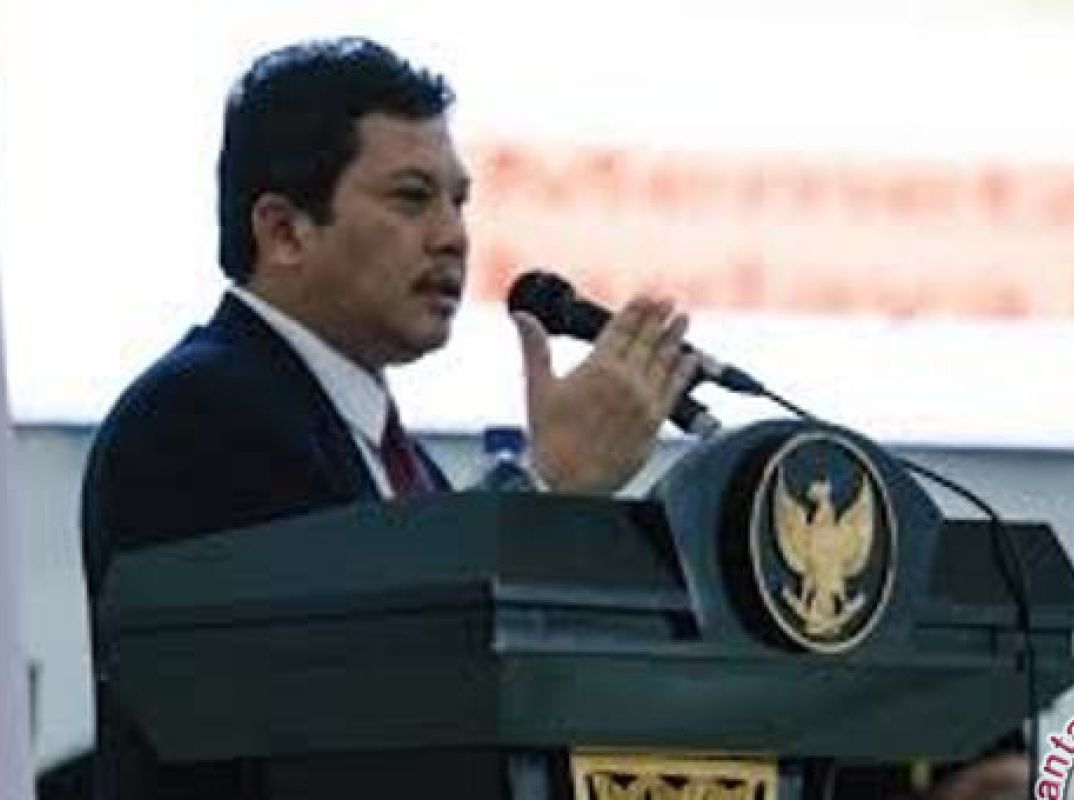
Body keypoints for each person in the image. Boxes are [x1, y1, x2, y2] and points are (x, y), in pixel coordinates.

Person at [80, 36, 699, 800]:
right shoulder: (198, 414)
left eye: (459, 201)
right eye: (412, 198)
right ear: (284, 230)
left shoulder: (393, 454)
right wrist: (548, 486)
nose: (453, 235)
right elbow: (350, 695)